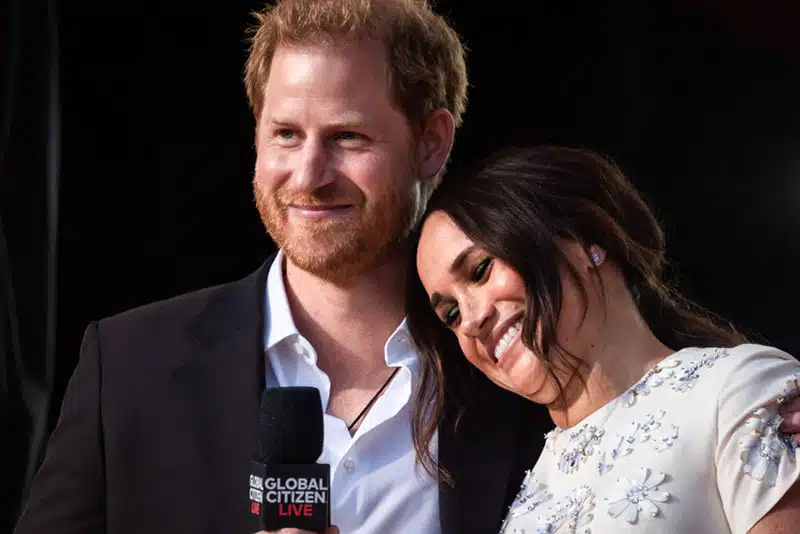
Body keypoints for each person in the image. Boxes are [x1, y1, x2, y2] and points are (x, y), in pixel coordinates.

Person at [13, 2, 551, 534]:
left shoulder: (514, 369)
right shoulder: (130, 365)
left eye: (347, 137)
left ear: (431, 143)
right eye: (286, 134)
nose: (308, 175)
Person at [406, 144, 800, 533]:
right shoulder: (521, 491)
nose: (471, 321)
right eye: (451, 314)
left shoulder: (738, 393)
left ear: (582, 241)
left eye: (480, 271)